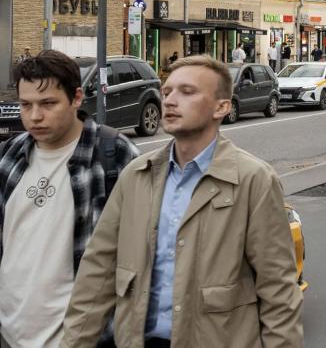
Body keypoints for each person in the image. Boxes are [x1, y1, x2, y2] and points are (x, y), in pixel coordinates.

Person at [61, 55, 304, 346]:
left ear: (222, 107)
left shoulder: (253, 179)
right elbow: (97, 272)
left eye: (187, 92)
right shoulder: (137, 175)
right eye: (167, 92)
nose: (170, 101)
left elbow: (278, 289)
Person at [0, 50, 138, 347]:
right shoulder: (10, 155)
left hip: (80, 337)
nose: (35, 116)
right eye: (25, 105)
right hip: (9, 333)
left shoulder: (114, 154)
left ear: (76, 98)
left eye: (48, 103)